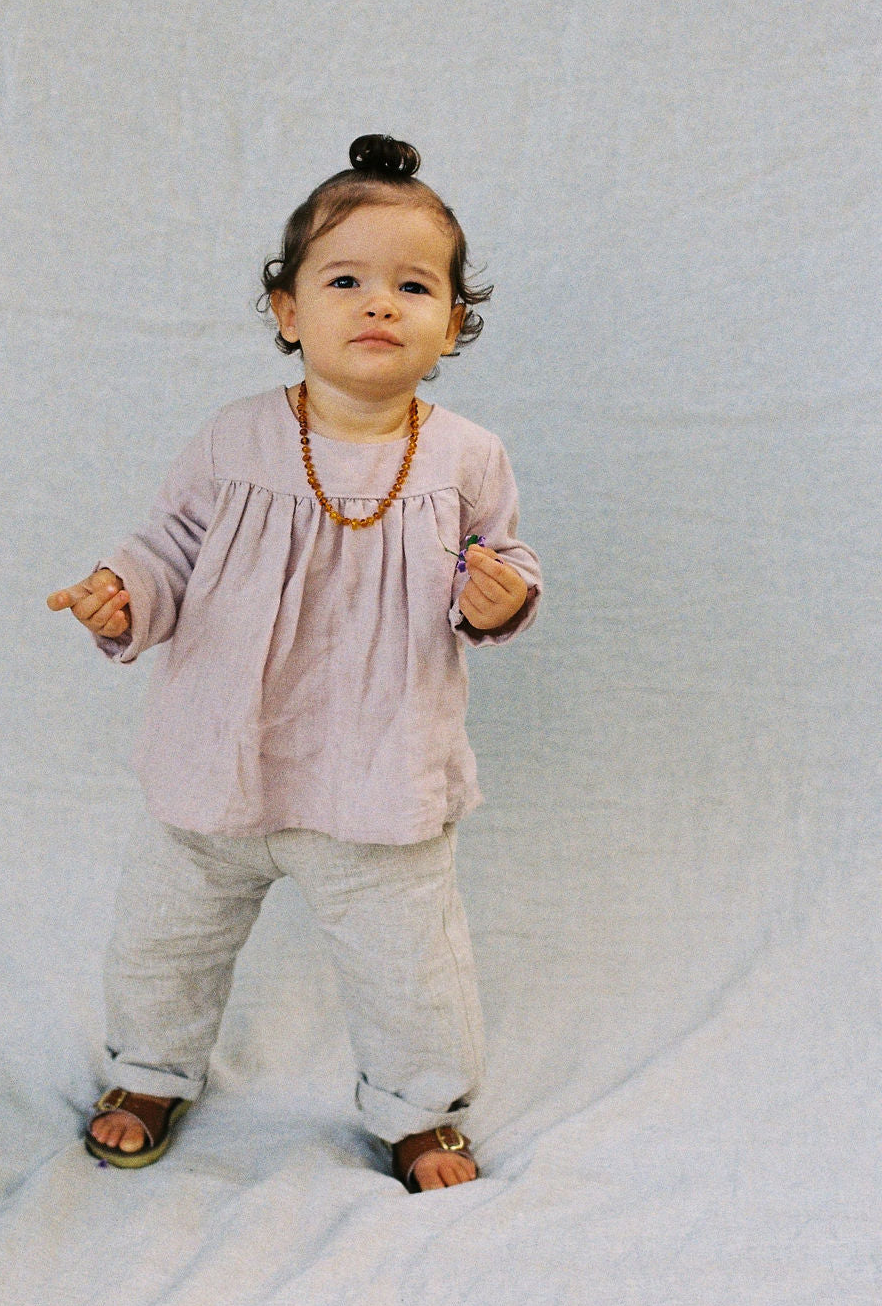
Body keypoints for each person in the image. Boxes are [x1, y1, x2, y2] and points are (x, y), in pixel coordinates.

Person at [47, 134, 542, 1192]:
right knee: (163, 941)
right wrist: (125, 591)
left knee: (412, 967)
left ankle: (419, 1110)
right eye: (345, 280)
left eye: (414, 286)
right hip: (219, 762)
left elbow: (499, 560)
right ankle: (149, 1072)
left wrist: (500, 598)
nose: (379, 304)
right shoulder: (235, 440)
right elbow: (168, 547)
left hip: (376, 774)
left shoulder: (467, 456)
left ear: (453, 323)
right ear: (287, 311)